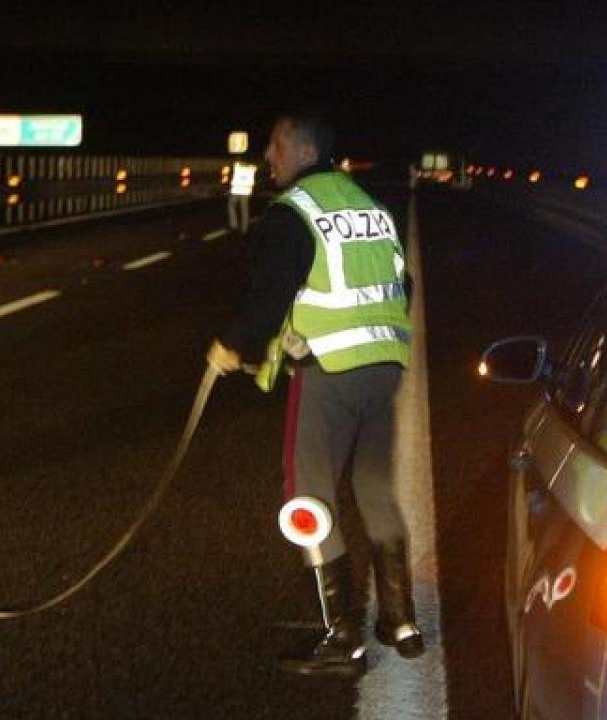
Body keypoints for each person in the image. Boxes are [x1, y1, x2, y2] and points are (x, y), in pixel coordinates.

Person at [207, 115, 422, 676]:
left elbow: (269, 290)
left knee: (309, 497)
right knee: (375, 485)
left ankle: (341, 637)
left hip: (328, 370)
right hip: (386, 365)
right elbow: (405, 286)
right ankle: (400, 620)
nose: (267, 156)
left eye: (274, 146)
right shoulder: (370, 207)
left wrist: (232, 343)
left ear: (303, 149)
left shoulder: (295, 211)